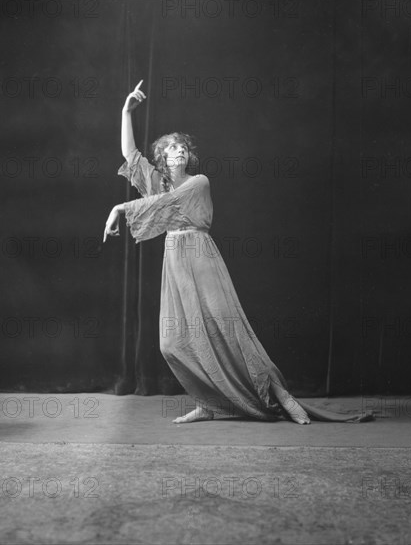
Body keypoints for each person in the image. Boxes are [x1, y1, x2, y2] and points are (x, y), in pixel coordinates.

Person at [103, 80, 374, 425]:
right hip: (174, 259)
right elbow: (130, 157)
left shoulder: (198, 182)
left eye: (184, 147)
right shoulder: (157, 183)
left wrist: (121, 207)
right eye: (172, 148)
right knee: (174, 342)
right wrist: (126, 112)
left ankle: (280, 394)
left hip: (200, 255)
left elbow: (163, 204)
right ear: (162, 157)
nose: (180, 151)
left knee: (227, 330)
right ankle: (209, 402)